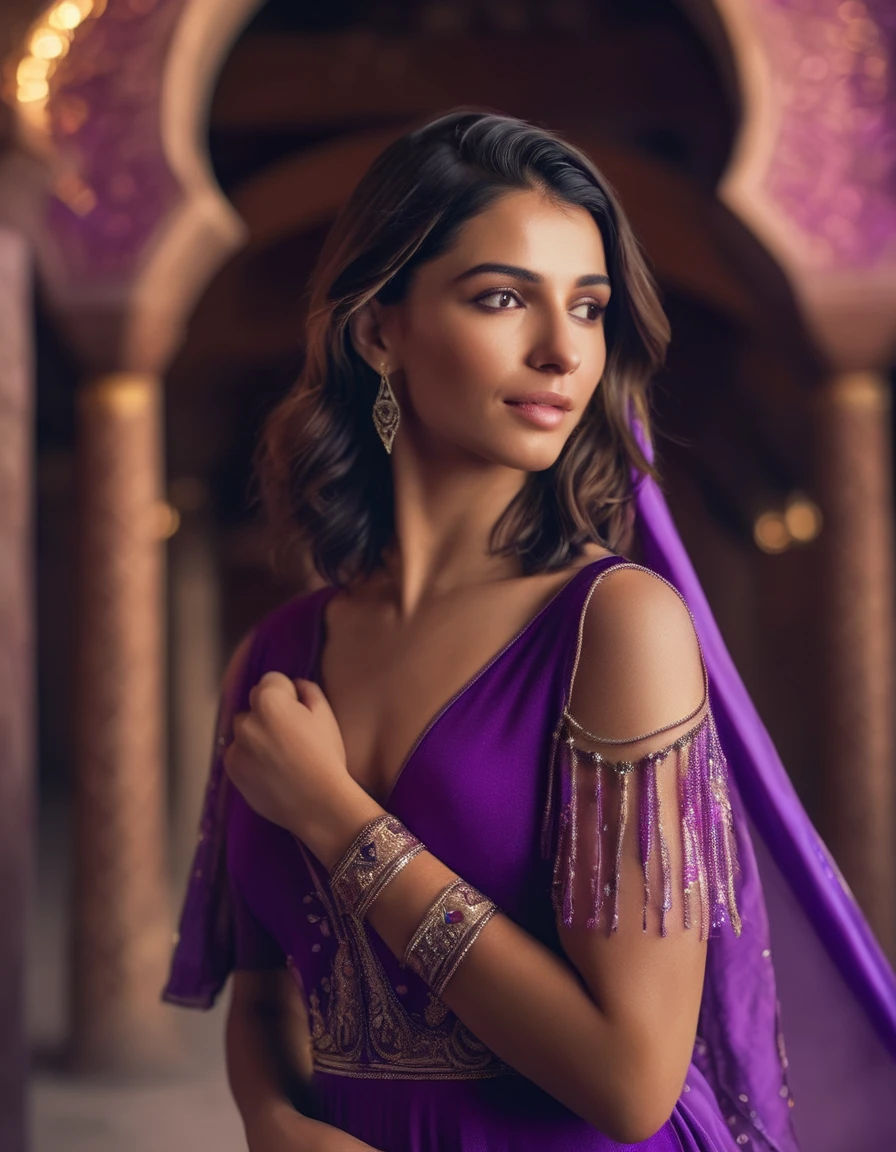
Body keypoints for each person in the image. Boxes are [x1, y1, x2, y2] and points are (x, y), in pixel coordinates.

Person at [163, 110, 896, 1151]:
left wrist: (336, 816)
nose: (560, 351)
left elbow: (631, 1080)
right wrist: (274, 1122)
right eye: (502, 297)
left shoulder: (615, 627)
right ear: (378, 330)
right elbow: (268, 987)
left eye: (588, 308)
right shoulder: (272, 659)